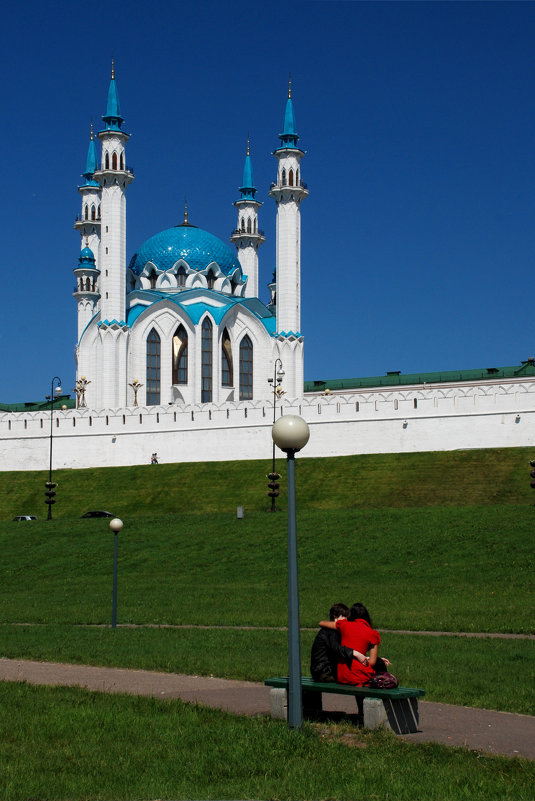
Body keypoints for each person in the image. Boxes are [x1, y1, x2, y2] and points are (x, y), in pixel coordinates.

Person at [319, 602, 388, 686]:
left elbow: (321, 623)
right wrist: (364, 659)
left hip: (342, 675)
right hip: (359, 677)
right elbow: (372, 662)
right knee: (380, 663)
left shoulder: (344, 625)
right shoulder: (373, 634)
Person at [311, 603, 370, 682]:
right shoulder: (331, 631)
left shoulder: (331, 631)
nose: (346, 619)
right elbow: (337, 649)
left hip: (321, 671)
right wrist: (355, 653)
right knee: (354, 677)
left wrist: (363, 657)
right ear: (335, 617)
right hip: (324, 672)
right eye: (344, 616)